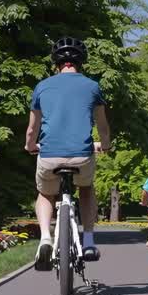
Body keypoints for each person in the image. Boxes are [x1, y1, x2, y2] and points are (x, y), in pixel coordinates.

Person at [25, 37, 111, 271]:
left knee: (44, 192)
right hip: (82, 155)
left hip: (50, 155)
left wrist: (30, 145)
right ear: (80, 62)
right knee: (86, 188)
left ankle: (45, 238)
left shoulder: (42, 86)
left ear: (56, 63)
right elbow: (102, 126)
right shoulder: (93, 86)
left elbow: (33, 128)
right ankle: (90, 241)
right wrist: (105, 144)